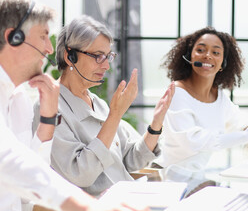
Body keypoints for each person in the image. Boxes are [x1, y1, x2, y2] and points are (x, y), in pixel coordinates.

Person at [0, 0, 157, 211]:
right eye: (43, 36)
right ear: (13, 37)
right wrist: (91, 209)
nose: (49, 47)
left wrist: (47, 120)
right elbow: (5, 159)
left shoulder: (19, 96)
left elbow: (33, 174)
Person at [33, 15, 175, 197]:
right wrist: (115, 115)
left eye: (108, 56)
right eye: (98, 56)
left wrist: (156, 123)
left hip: (125, 199)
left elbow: (131, 160)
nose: (107, 65)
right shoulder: (49, 107)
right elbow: (80, 174)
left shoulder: (98, 104)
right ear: (70, 56)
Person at [153, 27, 248, 195]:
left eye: (216, 52)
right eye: (200, 50)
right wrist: (247, 135)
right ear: (189, 56)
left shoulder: (219, 96)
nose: (207, 56)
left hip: (206, 179)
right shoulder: (176, 93)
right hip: (175, 183)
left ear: (223, 63)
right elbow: (194, 141)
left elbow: (238, 121)